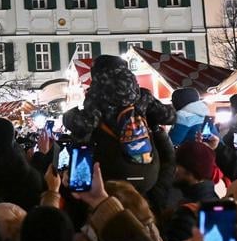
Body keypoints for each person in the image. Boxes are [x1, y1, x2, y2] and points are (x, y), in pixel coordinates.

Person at [62, 55, 174, 192]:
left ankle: (78, 184)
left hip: (113, 173)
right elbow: (169, 117)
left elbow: (83, 124)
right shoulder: (142, 95)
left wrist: (68, 116)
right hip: (149, 174)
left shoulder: (97, 96)